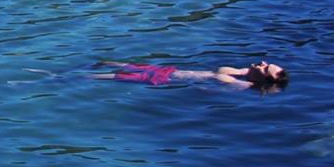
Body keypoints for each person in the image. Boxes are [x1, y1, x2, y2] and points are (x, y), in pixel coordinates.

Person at [94, 59, 288, 90]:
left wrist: (266, 88)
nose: (263, 62)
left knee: (111, 76)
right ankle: (90, 64)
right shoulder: (243, 72)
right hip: (169, 70)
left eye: (266, 68)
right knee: (110, 63)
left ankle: (79, 77)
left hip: (165, 78)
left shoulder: (243, 84)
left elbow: (213, 88)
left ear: (263, 78)